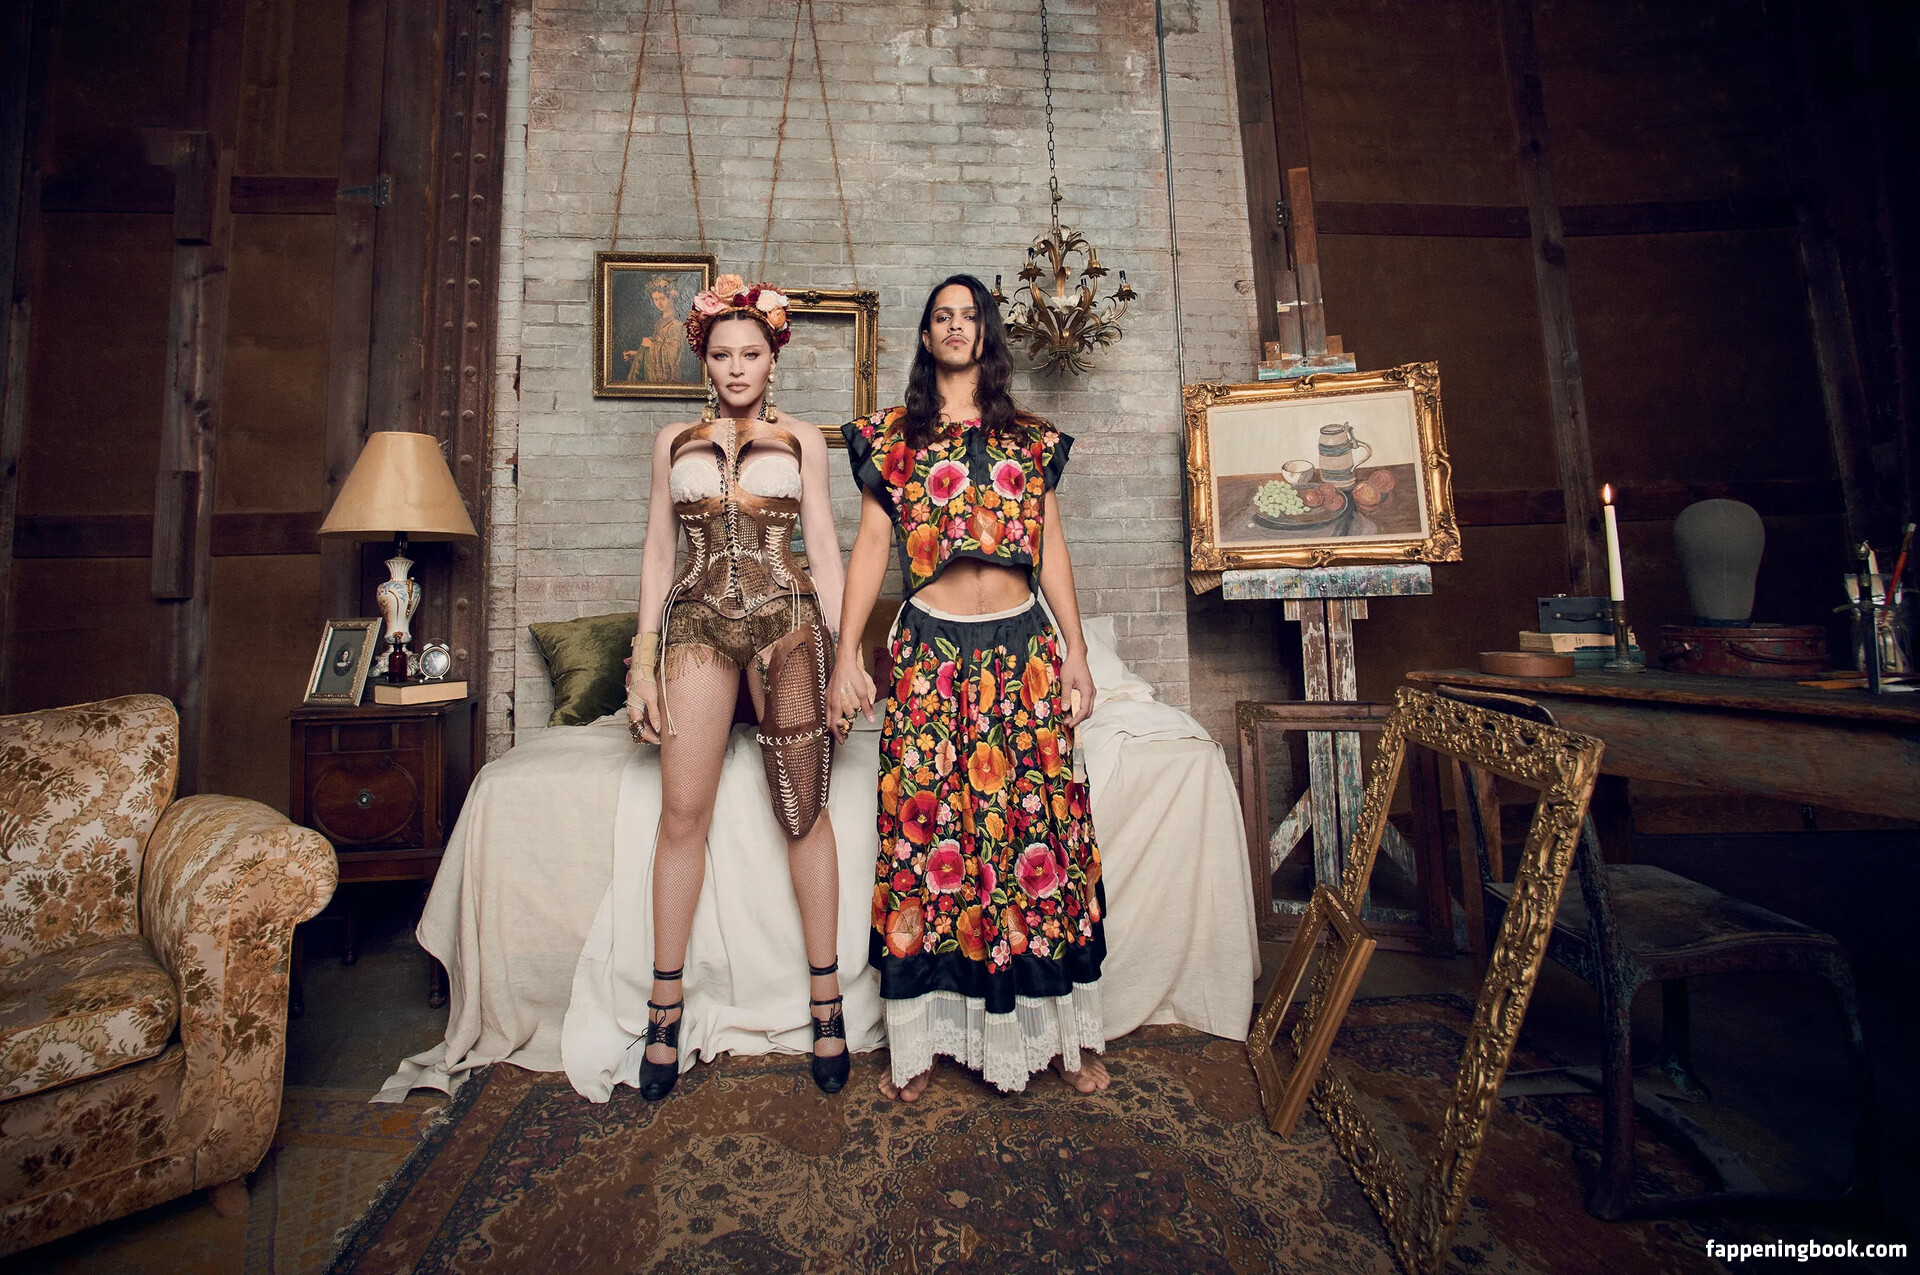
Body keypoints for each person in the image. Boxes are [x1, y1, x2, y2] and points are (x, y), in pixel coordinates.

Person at [830, 274, 1110, 1101]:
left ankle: (1061, 1039)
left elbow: (1050, 546)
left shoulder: (1030, 438)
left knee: (1038, 832)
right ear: (926, 337)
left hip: (1023, 652)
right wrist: (847, 654)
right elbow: (869, 549)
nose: (956, 326)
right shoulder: (893, 437)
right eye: (941, 316)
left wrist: (1077, 651)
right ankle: (919, 1047)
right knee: (930, 838)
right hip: (930, 655)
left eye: (970, 315)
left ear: (987, 333)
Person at [624, 275, 849, 1099]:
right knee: (682, 812)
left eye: (751, 353)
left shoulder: (804, 440)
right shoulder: (672, 440)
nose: (737, 367)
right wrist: (641, 660)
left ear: (772, 358)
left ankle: (827, 1002)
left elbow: (824, 547)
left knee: (804, 807)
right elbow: (658, 551)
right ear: (705, 360)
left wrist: (845, 659)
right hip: (697, 624)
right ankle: (664, 1007)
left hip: (787, 622)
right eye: (722, 354)